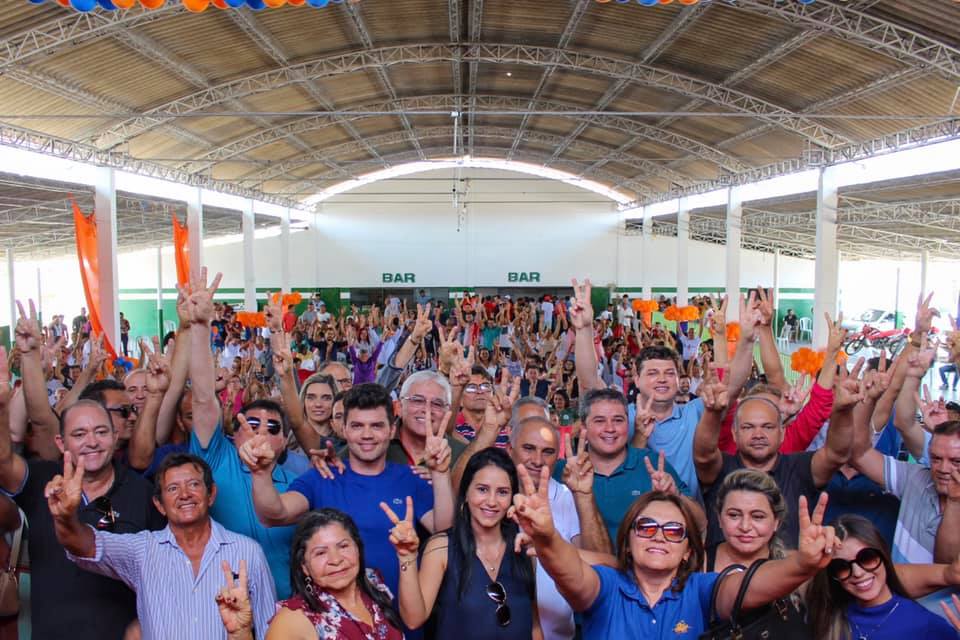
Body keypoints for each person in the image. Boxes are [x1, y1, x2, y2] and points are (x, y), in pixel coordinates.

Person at [516, 461, 839, 640]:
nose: (659, 536)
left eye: (673, 531)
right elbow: (569, 573)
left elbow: (747, 586)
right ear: (628, 540)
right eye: (646, 527)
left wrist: (803, 564)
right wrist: (546, 539)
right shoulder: (607, 587)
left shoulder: (703, 589)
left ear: (687, 551)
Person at [0, 349, 164, 640]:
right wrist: (1, 405)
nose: (92, 442)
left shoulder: (142, 493)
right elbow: (3, 460)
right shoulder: (42, 481)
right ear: (62, 443)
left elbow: (165, 572)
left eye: (101, 432)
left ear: (115, 436)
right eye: (79, 435)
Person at [244, 383, 453, 597]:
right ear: (343, 429)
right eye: (357, 426)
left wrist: (441, 473)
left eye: (377, 426)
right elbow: (273, 514)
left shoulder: (411, 479)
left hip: (402, 619)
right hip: (336, 623)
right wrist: (260, 473)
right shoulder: (322, 476)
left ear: (391, 430)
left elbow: (443, 531)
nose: (367, 434)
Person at [48, 452, 276, 640]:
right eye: (173, 489)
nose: (185, 494)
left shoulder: (248, 551)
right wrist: (65, 518)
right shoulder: (143, 550)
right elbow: (86, 546)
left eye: (194, 484)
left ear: (211, 494)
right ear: (159, 504)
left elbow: (271, 631)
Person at [694, 351, 857, 548]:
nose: (758, 434)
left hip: (788, 575)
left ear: (782, 433)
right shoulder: (722, 468)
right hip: (725, 576)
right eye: (748, 427)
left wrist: (843, 411)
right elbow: (703, 456)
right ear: (735, 434)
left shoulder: (800, 467)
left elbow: (836, 454)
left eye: (767, 427)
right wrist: (712, 412)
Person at [387, 447, 541, 639]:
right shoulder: (441, 548)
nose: (492, 501)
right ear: (466, 492)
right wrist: (406, 557)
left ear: (512, 498)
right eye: (482, 489)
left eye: (502, 492)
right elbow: (413, 619)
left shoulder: (523, 546)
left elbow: (533, 624)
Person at [509, 416, 610, 639]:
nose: (537, 459)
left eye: (548, 452)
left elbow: (604, 568)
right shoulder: (491, 495)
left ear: (558, 456)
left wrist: (583, 495)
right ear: (510, 449)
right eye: (528, 448)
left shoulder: (566, 495)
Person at [553, 387, 694, 545]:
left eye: (618, 420)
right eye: (599, 421)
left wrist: (676, 495)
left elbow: (700, 524)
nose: (610, 428)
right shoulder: (562, 471)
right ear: (584, 428)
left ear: (629, 424)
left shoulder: (652, 463)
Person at [808, 514, 957, 639]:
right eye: (841, 566)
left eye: (866, 558)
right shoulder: (827, 618)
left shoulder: (927, 626)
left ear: (884, 556)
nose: (858, 573)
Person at [266, 509, 403, 640]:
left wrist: (408, 556)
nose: (336, 560)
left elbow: (414, 619)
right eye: (320, 553)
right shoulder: (292, 619)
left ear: (358, 548)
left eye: (343, 546)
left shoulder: (373, 581)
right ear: (305, 567)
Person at [707, 469, 788, 572]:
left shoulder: (793, 567)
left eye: (758, 517)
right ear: (719, 518)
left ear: (776, 522)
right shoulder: (697, 562)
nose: (745, 527)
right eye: (734, 515)